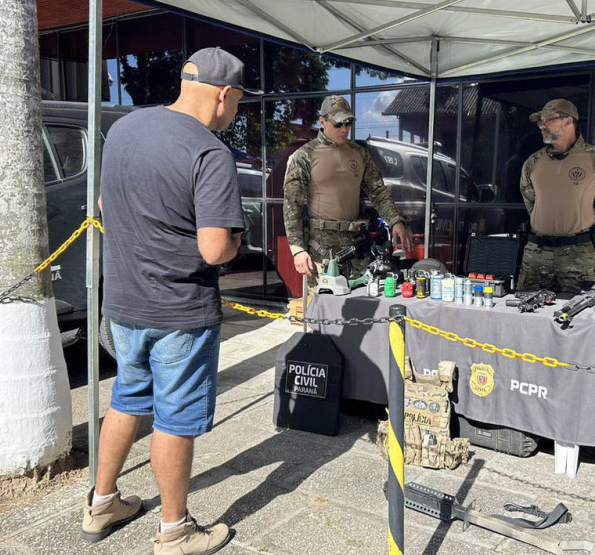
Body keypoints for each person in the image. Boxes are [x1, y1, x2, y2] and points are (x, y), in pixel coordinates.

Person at [84, 47, 260, 555]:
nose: (235, 113)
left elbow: (103, 204)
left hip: (124, 303)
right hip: (180, 310)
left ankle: (101, 502)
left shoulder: (124, 129)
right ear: (224, 94)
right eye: (238, 103)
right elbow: (213, 248)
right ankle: (175, 530)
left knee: (126, 400)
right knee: (175, 419)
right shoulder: (209, 151)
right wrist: (233, 243)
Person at [282, 95, 413, 281]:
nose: (345, 129)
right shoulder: (304, 156)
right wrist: (297, 248)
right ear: (322, 121)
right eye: (338, 124)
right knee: (325, 305)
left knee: (361, 301)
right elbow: (291, 204)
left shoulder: (359, 154)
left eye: (349, 123)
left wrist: (395, 221)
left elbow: (378, 191)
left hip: (356, 245)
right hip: (321, 247)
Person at [518, 99, 595, 294]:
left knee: (583, 315)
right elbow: (531, 200)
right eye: (541, 122)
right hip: (537, 254)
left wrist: (580, 228)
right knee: (528, 313)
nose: (542, 126)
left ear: (568, 121)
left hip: (578, 254)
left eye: (548, 120)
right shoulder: (533, 161)